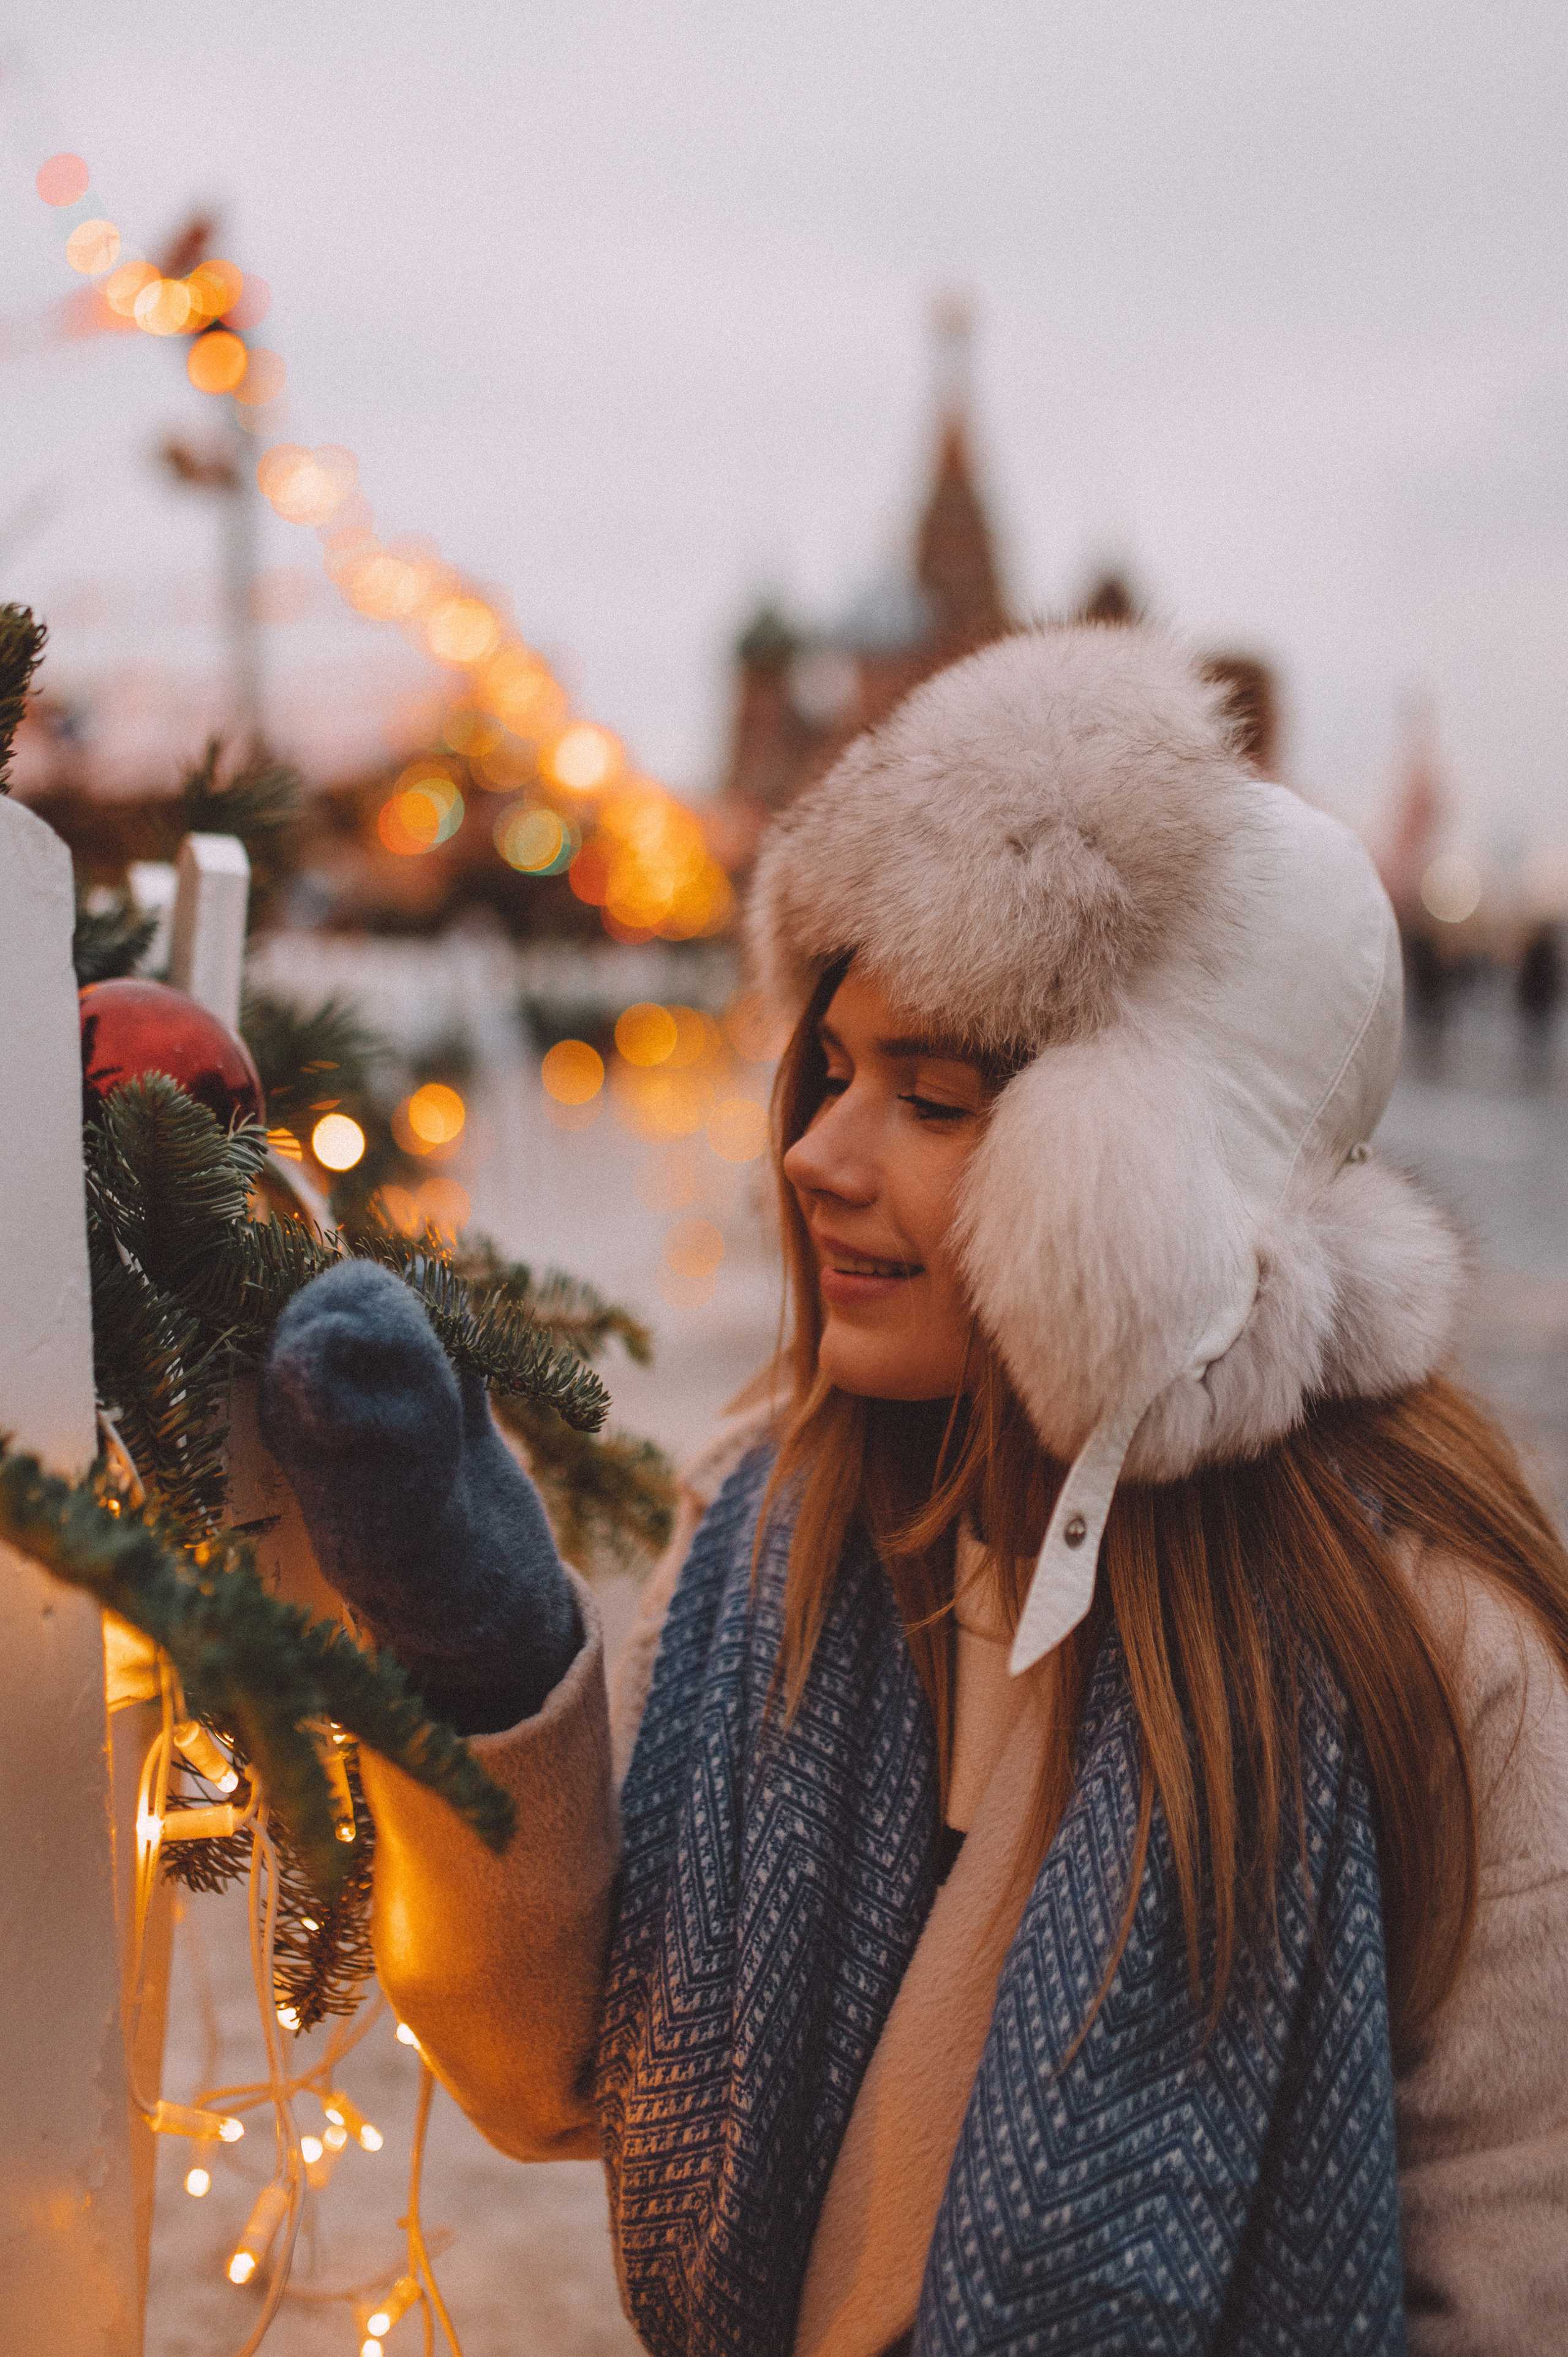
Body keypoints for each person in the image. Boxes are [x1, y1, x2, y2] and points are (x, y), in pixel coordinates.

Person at [261, 626, 1568, 2357]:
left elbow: (1512, 2249)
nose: (813, 1151)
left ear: (1148, 1187)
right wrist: (485, 1668)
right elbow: (559, 2072)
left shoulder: (1420, 1628)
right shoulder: (771, 1528)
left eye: (932, 1100)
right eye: (830, 1071)